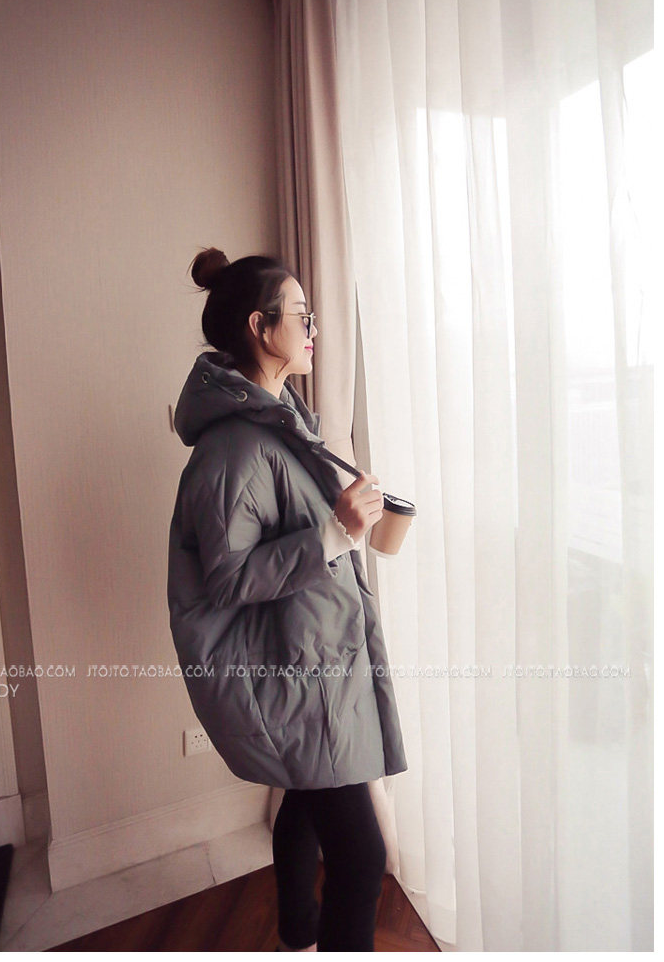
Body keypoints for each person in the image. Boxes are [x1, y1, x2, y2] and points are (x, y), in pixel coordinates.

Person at [167, 248, 408, 952]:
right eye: (301, 315)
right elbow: (228, 579)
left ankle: (298, 937)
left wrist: (343, 521)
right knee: (362, 857)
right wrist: (336, 531)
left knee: (303, 803)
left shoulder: (281, 419)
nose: (313, 329)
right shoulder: (236, 448)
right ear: (260, 326)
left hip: (313, 657)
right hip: (296, 675)